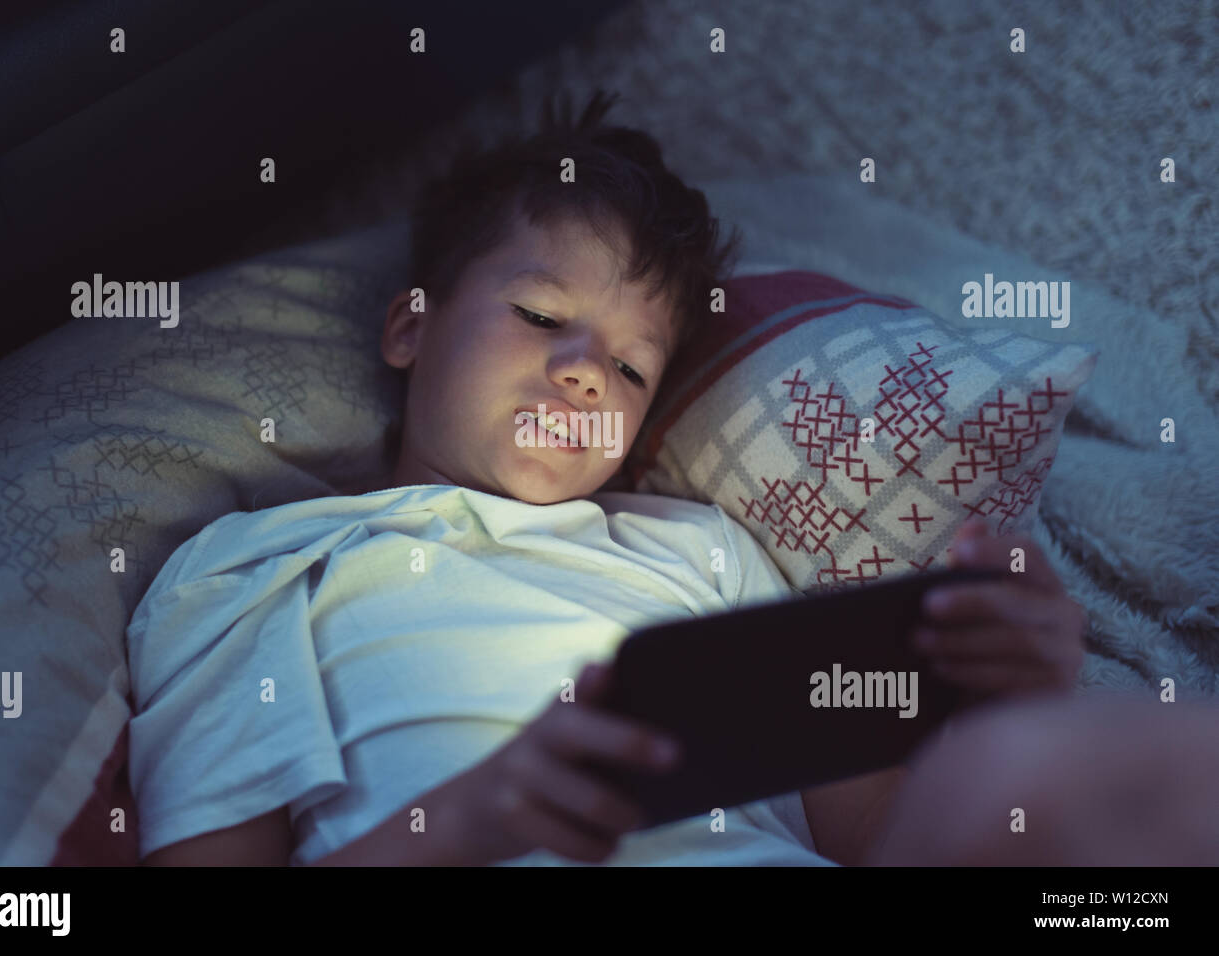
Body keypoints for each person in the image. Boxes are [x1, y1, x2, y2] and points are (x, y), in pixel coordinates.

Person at [129, 90, 1087, 867]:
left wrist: (1015, 709)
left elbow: (888, 841)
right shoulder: (256, 570)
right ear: (410, 326)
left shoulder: (702, 552)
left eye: (631, 369)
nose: (587, 370)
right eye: (542, 317)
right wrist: (476, 818)